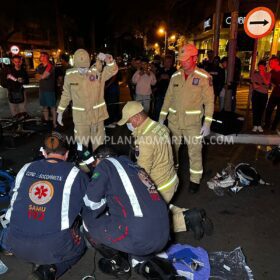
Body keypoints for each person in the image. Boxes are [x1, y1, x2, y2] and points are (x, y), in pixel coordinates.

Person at [0, 132, 89, 279]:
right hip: (51, 247)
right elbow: (90, 204)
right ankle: (46, 272)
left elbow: (14, 198)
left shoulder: (26, 168)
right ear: (66, 154)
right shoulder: (76, 174)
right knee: (80, 245)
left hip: (13, 242)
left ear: (43, 152)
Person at [118, 101, 213, 237]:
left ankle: (188, 219)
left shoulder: (145, 140)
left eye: (128, 122)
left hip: (160, 186)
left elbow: (142, 172)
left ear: (137, 118)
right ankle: (194, 216)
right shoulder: (160, 127)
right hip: (171, 179)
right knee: (159, 210)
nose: (128, 125)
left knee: (149, 221)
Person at [82, 145, 170, 279]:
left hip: (140, 236)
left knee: (87, 219)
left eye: (95, 162)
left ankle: (119, 265)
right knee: (125, 211)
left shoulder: (105, 164)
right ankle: (142, 259)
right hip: (163, 233)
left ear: (99, 158)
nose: (94, 165)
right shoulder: (134, 166)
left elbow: (91, 203)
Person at [159, 44, 214, 194]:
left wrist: (207, 123)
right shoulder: (175, 76)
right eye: (181, 59)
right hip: (174, 122)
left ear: (195, 58)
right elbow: (168, 98)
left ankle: (195, 180)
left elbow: (209, 102)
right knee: (172, 151)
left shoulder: (204, 77)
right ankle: (173, 176)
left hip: (193, 124)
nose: (182, 62)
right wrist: (161, 118)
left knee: (195, 152)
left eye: (186, 59)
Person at [57, 49, 118, 150]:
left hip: (97, 116)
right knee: (81, 146)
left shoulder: (97, 72)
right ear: (75, 64)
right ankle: (83, 165)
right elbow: (66, 94)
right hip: (81, 119)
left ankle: (99, 164)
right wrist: (60, 111)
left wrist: (108, 59)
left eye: (85, 67)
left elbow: (112, 70)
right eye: (80, 68)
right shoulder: (69, 75)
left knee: (99, 145)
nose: (83, 70)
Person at [35, 52, 57, 128]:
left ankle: (54, 123)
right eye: (40, 56)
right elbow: (37, 77)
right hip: (42, 89)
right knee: (44, 107)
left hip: (49, 89)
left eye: (42, 56)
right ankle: (47, 121)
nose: (40, 57)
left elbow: (43, 76)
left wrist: (41, 76)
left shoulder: (50, 66)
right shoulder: (39, 66)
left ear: (47, 57)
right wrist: (41, 76)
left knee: (52, 107)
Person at [153, 55, 176, 121]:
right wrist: (160, 78)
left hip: (170, 95)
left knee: (169, 112)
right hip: (160, 94)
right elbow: (155, 81)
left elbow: (177, 84)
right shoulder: (160, 70)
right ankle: (158, 124)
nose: (167, 63)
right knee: (158, 110)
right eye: (166, 62)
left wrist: (168, 78)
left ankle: (167, 125)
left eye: (169, 62)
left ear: (171, 63)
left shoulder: (174, 71)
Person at [251, 60, 271, 133]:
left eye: (262, 66)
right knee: (255, 110)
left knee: (261, 110)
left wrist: (262, 77)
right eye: (259, 66)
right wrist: (263, 85)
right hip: (256, 94)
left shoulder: (268, 74)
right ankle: (255, 125)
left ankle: (259, 125)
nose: (260, 68)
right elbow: (255, 86)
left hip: (264, 95)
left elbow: (267, 84)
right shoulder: (255, 74)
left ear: (265, 67)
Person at [264, 56, 280, 132]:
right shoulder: (272, 72)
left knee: (278, 113)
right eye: (269, 63)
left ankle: (274, 127)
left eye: (271, 62)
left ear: (277, 62)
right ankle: (267, 124)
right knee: (269, 110)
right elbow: (268, 82)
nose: (270, 64)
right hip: (274, 94)